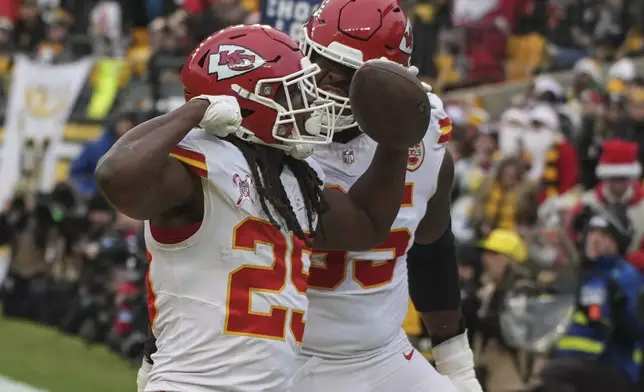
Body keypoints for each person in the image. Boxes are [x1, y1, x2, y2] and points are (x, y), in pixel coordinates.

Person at [97, 25, 415, 392]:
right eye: (293, 92)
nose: (308, 103)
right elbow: (115, 176)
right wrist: (194, 111)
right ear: (246, 101)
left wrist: (396, 142)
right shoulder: (200, 163)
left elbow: (365, 226)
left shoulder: (293, 176)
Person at [293, 1, 481, 391]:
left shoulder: (426, 139)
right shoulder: (271, 134)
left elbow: (432, 248)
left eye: (345, 75)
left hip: (382, 355)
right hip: (280, 355)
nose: (323, 82)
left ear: (392, 82)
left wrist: (456, 363)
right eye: (318, 61)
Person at [538, 210, 644, 392]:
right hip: (570, 361)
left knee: (554, 374)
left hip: (611, 364)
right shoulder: (581, 275)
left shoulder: (626, 276)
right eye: (591, 233)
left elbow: (638, 328)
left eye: (603, 235)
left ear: (618, 243)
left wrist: (621, 307)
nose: (594, 240)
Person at [70, 111, 137, 197]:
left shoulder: (134, 149)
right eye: (124, 124)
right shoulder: (95, 147)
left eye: (130, 126)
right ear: (116, 124)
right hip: (97, 198)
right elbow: (76, 172)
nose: (126, 128)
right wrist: (91, 190)